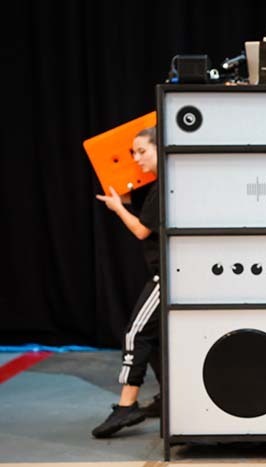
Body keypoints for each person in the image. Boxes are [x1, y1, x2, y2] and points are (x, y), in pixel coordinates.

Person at [92, 126, 162, 438]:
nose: (136, 158)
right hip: (163, 273)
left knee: (135, 334)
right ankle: (166, 399)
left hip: (167, 277)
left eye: (142, 151)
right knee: (156, 340)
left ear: (160, 148)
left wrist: (119, 206)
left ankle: (126, 405)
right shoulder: (162, 186)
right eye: (133, 152)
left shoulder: (165, 188)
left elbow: (141, 231)